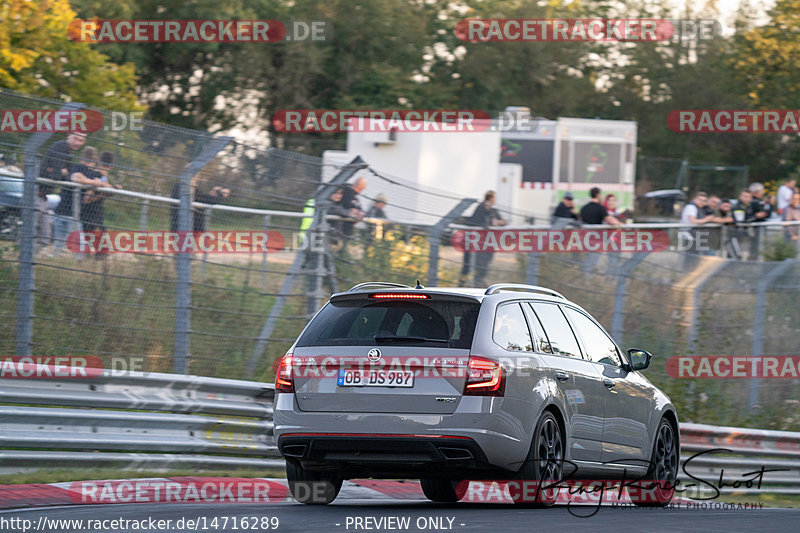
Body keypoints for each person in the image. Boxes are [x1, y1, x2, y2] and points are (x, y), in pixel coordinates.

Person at [39, 132, 87, 249]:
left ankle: (26, 261)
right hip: (36, 193)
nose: (77, 143)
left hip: (43, 197)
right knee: (34, 233)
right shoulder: (61, 147)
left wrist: (62, 172)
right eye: (75, 138)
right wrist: (61, 172)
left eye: (81, 140)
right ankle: (23, 261)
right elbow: (56, 176)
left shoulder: (69, 153)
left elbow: (67, 176)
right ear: (68, 136)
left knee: (44, 238)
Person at [54, 147, 101, 251]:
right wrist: (94, 183)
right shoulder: (78, 168)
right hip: (69, 213)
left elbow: (105, 183)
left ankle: (56, 258)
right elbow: (76, 178)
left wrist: (99, 182)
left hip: (67, 212)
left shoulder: (93, 173)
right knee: (77, 246)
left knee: (61, 244)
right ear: (95, 160)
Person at [459, 190, 506, 286]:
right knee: (467, 265)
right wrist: (486, 225)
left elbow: (503, 222)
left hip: (488, 243)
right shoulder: (480, 208)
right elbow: (474, 222)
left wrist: (498, 222)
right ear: (491, 198)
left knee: (484, 264)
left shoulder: (493, 211)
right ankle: (462, 283)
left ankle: (478, 282)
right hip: (474, 242)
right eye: (494, 198)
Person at [80, 151, 119, 234]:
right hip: (89, 213)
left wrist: (112, 190)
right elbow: (87, 199)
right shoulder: (97, 176)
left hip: (96, 213)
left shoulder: (103, 177)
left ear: (98, 162)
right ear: (112, 166)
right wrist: (103, 194)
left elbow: (101, 195)